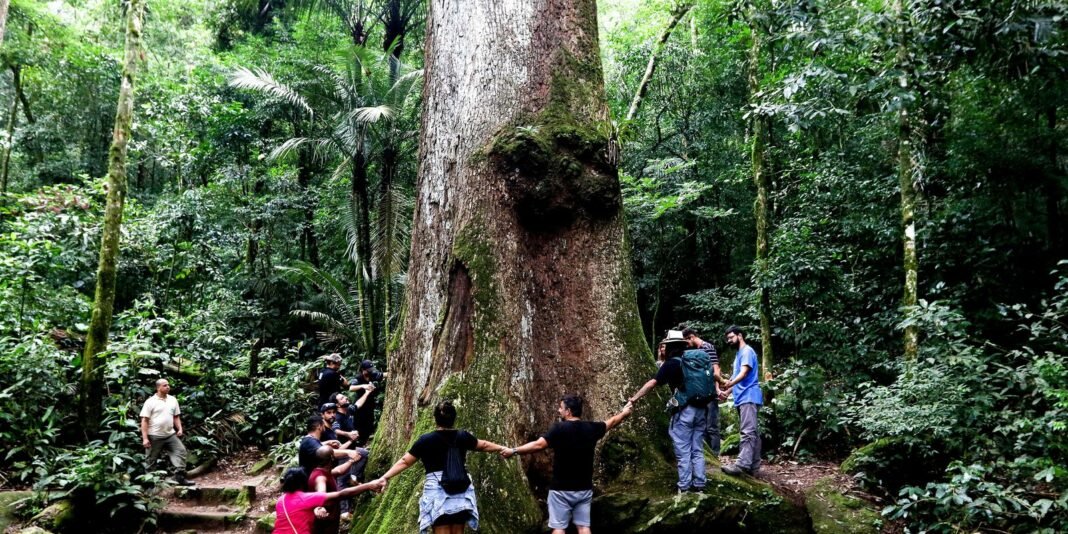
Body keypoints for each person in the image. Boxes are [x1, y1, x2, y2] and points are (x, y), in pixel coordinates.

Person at [371, 400, 510, 534]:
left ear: (435, 419)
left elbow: (405, 461)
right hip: (461, 489)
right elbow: (483, 445)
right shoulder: (463, 436)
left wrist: (385, 477)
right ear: (454, 418)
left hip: (437, 491)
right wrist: (503, 448)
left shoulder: (426, 440)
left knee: (441, 525)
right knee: (458, 528)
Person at [500, 395, 633, 534]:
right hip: (583, 489)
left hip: (560, 490)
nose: (559, 410)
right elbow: (612, 421)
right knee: (583, 527)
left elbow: (538, 445)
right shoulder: (592, 428)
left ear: (568, 411)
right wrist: (624, 413)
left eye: (561, 408)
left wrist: (513, 451)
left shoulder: (559, 428)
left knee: (559, 528)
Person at [628, 330, 711, 493]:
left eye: (666, 346)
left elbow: (652, 383)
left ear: (671, 346)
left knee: (683, 449)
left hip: (684, 410)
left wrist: (634, 398)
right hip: (701, 409)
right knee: (697, 448)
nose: (664, 349)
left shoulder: (672, 363)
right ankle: (700, 484)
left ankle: (684, 486)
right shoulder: (694, 360)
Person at [274, 466, 382, 534]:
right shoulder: (305, 498)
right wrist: (368, 485)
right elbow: (341, 494)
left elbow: (297, 513)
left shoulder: (280, 501)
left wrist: (316, 508)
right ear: (303, 482)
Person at [720, 325, 763, 476]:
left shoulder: (747, 351)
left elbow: (744, 373)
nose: (729, 341)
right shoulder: (739, 354)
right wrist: (727, 392)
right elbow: (737, 376)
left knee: (747, 432)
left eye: (731, 337)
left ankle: (742, 464)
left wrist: (729, 383)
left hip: (749, 396)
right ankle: (754, 467)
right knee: (752, 432)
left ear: (740, 336)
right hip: (742, 397)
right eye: (728, 339)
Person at [140, 378, 194, 486]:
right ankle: (150, 485)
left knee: (181, 451)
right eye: (165, 385)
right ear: (158, 388)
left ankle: (180, 477)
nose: (168, 387)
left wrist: (180, 429)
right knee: (151, 460)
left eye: (168, 385)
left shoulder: (172, 400)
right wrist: (145, 438)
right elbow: (144, 420)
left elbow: (176, 416)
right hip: (154, 436)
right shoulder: (150, 402)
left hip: (170, 434)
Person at [680, 325, 724, 455]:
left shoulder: (707, 347)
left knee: (712, 426)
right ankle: (707, 454)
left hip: (710, 391)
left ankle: (715, 454)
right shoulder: (697, 350)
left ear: (691, 337)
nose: (686, 345)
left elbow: (716, 369)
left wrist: (717, 388)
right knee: (702, 426)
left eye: (686, 341)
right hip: (701, 392)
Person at [299, 415, 363, 476]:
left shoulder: (309, 440)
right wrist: (348, 452)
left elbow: (317, 446)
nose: (324, 426)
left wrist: (328, 442)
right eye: (323, 424)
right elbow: (326, 452)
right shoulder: (310, 441)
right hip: (310, 478)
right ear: (319, 426)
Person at [348, 360, 385, 446]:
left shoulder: (373, 375)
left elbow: (383, 375)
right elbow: (351, 388)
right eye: (368, 370)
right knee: (359, 426)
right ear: (363, 370)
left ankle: (364, 442)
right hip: (360, 405)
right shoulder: (358, 378)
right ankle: (357, 444)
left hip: (370, 405)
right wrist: (363, 386)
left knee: (369, 426)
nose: (370, 371)